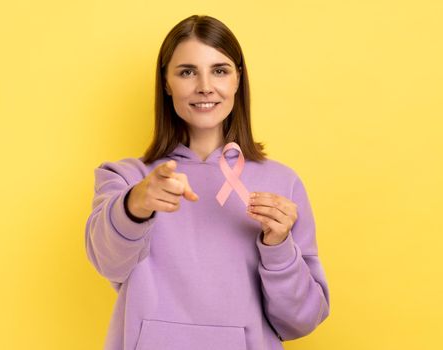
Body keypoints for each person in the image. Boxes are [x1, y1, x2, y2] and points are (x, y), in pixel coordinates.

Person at [85, 14, 330, 350]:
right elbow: (107, 261)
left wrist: (279, 248)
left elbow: (301, 320)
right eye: (187, 71)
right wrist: (135, 206)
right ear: (167, 82)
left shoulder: (282, 183)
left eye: (219, 70)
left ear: (238, 80)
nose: (204, 86)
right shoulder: (127, 178)